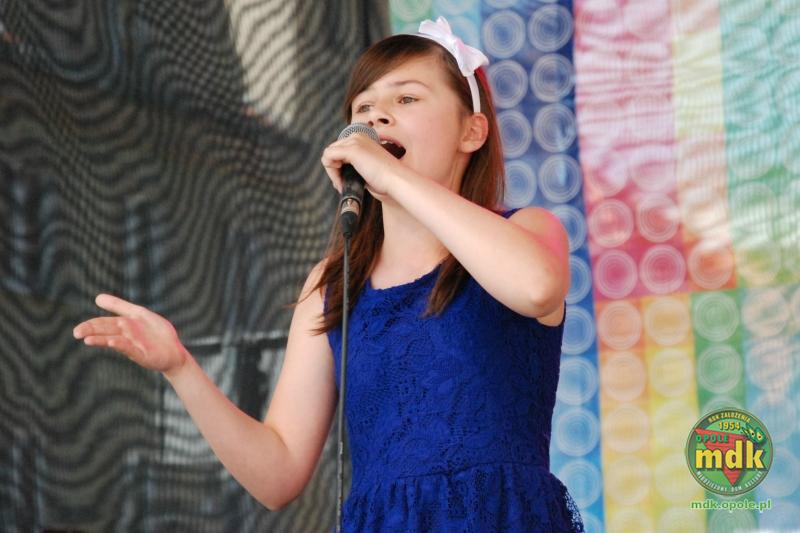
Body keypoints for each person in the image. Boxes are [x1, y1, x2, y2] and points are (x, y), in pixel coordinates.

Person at [73, 16, 583, 532]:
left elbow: (536, 287)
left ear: (471, 131)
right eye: (363, 107)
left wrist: (393, 178)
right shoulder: (334, 283)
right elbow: (278, 473)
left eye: (406, 98)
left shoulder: (527, 229)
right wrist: (180, 367)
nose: (377, 114)